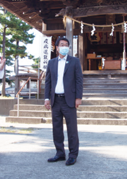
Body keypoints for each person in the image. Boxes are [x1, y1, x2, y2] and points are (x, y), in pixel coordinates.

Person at [44, 37, 83, 166]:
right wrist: (46, 99)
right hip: (56, 100)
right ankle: (60, 153)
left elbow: (79, 80)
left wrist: (79, 97)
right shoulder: (51, 63)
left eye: (66, 45)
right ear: (57, 47)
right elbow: (48, 82)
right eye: (62, 44)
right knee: (56, 128)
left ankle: (73, 155)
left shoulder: (74, 61)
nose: (64, 47)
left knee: (72, 129)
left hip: (69, 100)